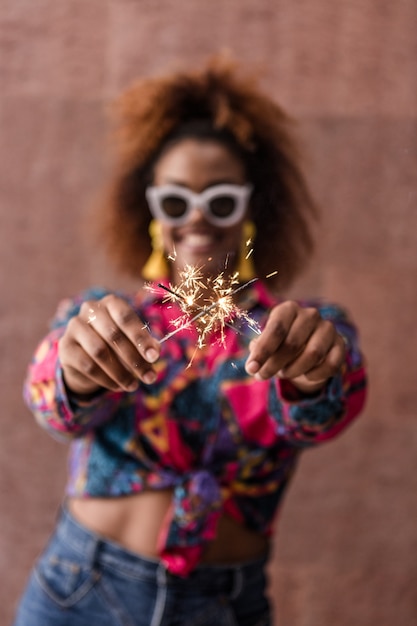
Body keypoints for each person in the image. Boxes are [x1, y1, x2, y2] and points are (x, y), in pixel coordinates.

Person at [13, 54, 367, 626]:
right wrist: (75, 373)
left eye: (220, 199)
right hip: (79, 592)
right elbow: (52, 407)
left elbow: (324, 411)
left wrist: (315, 374)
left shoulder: (300, 331)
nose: (197, 219)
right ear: (151, 212)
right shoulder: (103, 319)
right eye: (175, 201)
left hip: (222, 604)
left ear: (252, 208)